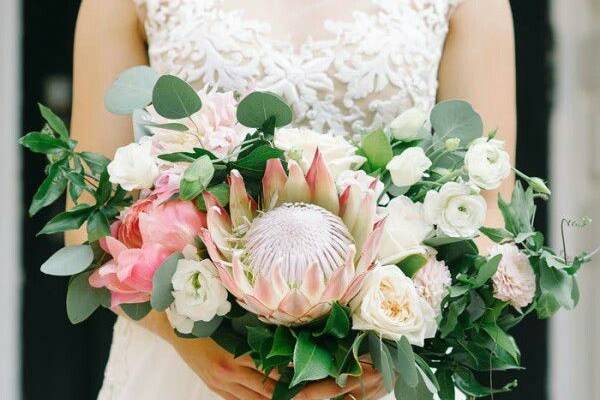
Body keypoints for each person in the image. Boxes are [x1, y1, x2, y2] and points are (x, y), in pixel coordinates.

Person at [67, 0, 516, 398]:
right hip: (199, 368)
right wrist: (187, 336)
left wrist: (399, 342)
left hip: (378, 365)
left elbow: (488, 211)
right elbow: (88, 219)